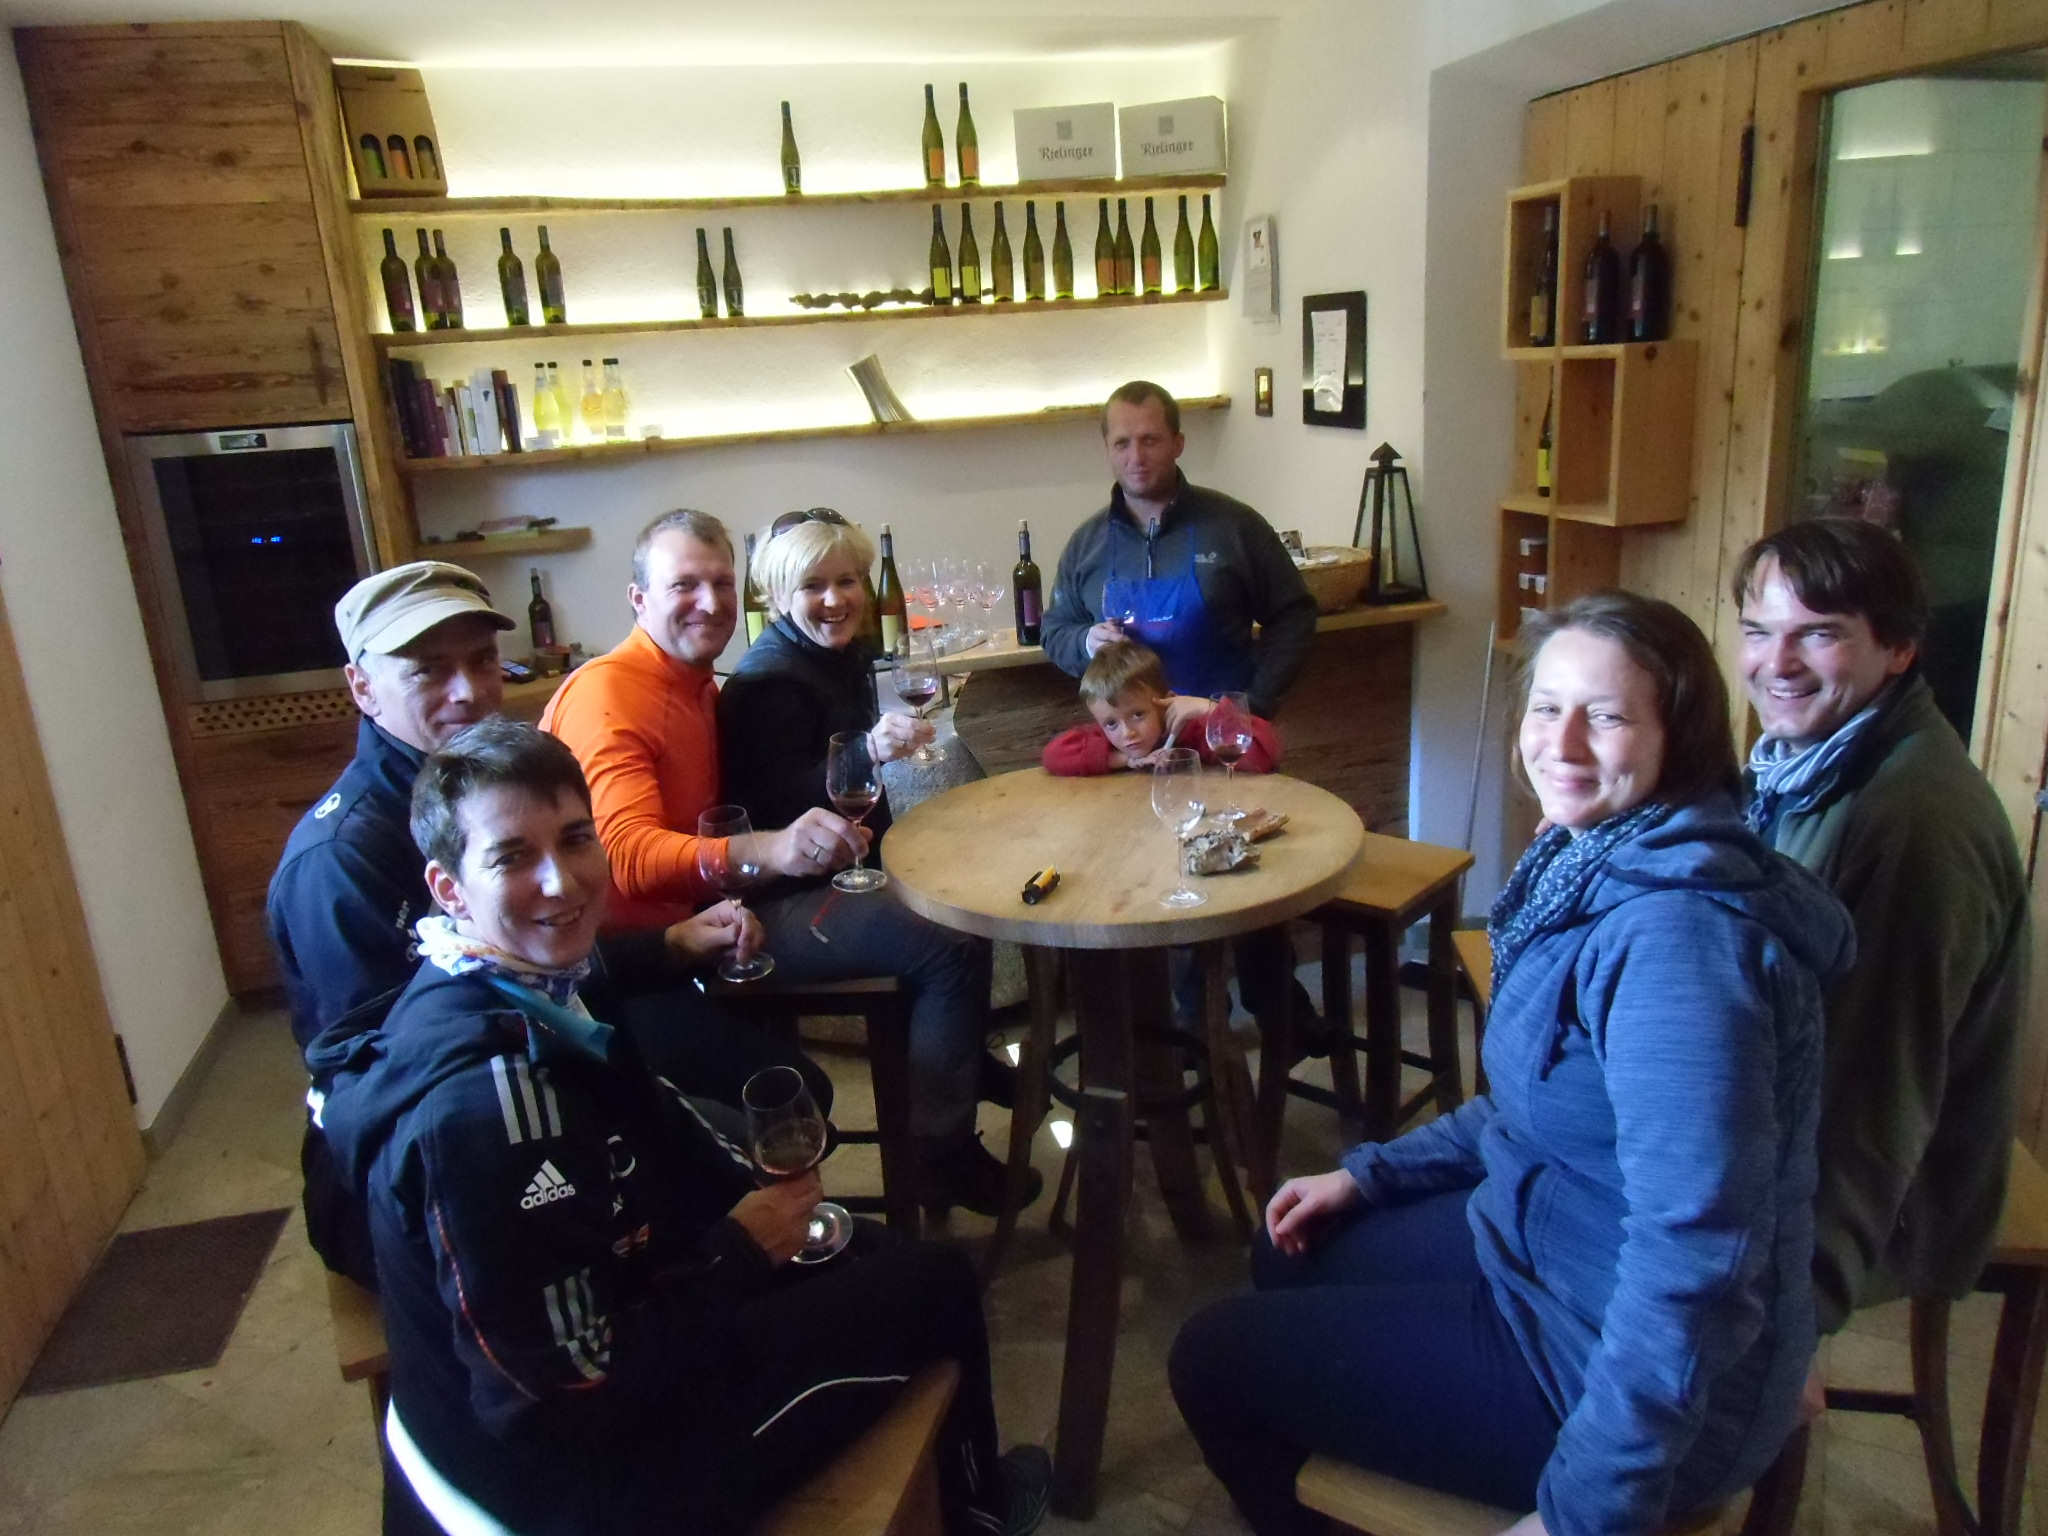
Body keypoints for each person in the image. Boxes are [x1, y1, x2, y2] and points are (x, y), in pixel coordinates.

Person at [1169, 592, 1855, 1536]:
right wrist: (1367, 1175)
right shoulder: (1593, 859)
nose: (1560, 744)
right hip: (1545, 1250)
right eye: (1547, 706)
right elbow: (1535, 1102)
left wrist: (1583, 1510)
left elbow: (1695, 1261)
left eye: (1605, 716)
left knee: (1209, 1360)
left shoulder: (1677, 944)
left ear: (1680, 736)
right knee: (1286, 1249)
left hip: (1606, 1374)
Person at [312, 719, 1050, 1536]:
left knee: (876, 1259)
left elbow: (623, 1031)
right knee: (938, 1289)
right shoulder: (490, 1116)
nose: (560, 882)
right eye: (511, 857)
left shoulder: (492, 978)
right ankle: (979, 1513)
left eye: (575, 839)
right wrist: (738, 1254)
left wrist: (741, 1229)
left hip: (553, 1375)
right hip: (574, 1482)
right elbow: (570, 1394)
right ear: (450, 888)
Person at [268, 560, 808, 1289]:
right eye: (429, 671)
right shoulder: (341, 861)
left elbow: (534, 966)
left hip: (528, 1090)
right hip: (414, 1189)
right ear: (362, 687)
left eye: (482, 660)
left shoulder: (484, 782)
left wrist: (667, 945)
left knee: (751, 1128)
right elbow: (384, 1086)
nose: (469, 691)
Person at [547, 508, 1038, 1219]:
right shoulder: (616, 692)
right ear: (638, 598)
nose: (710, 602)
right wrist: (766, 848)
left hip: (708, 923)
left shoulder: (694, 682)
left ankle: (953, 1069)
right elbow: (626, 855)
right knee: (945, 938)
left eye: (720, 583)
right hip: (644, 962)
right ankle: (940, 1149)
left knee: (952, 891)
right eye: (684, 585)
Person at [1733, 516, 2031, 1333]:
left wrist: (1792, 1310)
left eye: (1819, 634)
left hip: (1896, 1200)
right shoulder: (1815, 761)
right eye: (1758, 632)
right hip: (1790, 1124)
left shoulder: (1912, 824)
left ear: (1899, 648)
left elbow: (1872, 1096)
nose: (1776, 663)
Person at [1039, 380, 1316, 720]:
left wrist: (1253, 703)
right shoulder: (1086, 545)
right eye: (1122, 443)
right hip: (1129, 743)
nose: (1136, 458)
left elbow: (1294, 615)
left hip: (1221, 734)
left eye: (1150, 440)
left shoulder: (1235, 527)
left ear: (1178, 444)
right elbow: (1055, 630)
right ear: (1107, 449)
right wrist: (1086, 642)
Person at [1041, 638, 1280, 776]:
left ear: (1167, 703)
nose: (1127, 733)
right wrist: (1124, 760)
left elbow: (1265, 752)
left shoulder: (1193, 732)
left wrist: (1208, 708)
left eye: (1138, 714)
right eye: (1111, 723)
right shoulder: (1112, 742)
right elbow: (1053, 755)